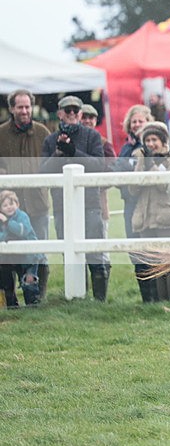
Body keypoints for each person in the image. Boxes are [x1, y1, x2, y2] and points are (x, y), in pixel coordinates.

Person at [41, 95, 109, 301]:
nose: (71, 114)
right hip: (63, 206)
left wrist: (74, 151)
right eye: (67, 110)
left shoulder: (92, 136)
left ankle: (99, 302)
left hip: (90, 204)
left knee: (95, 253)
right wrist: (58, 154)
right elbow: (43, 173)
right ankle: (77, 298)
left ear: (80, 114)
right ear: (59, 113)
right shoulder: (50, 140)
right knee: (70, 254)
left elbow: (98, 166)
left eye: (75, 111)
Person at [0, 90, 52, 303]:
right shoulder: (1, 134)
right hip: (8, 206)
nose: (24, 111)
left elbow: (50, 165)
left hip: (37, 203)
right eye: (19, 107)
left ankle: (38, 297)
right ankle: (10, 297)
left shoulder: (42, 132)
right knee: (7, 254)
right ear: (11, 108)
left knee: (39, 252)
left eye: (27, 106)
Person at [129, 121, 170, 303]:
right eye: (148, 140)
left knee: (169, 262)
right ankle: (160, 303)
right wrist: (142, 165)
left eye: (154, 140)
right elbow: (133, 189)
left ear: (162, 141)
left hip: (165, 216)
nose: (151, 144)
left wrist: (151, 166)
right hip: (145, 217)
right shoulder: (141, 159)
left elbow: (164, 186)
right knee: (154, 263)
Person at [112, 105, 152, 302]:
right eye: (134, 121)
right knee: (136, 251)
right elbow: (118, 175)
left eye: (140, 121)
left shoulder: (154, 144)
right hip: (130, 204)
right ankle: (146, 298)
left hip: (151, 204)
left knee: (154, 249)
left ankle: (160, 297)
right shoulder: (126, 149)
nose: (137, 125)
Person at [81, 104, 115, 276]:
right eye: (84, 117)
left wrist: (92, 184)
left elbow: (111, 171)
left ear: (96, 121)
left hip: (99, 203)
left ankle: (103, 284)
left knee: (101, 247)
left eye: (91, 118)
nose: (87, 121)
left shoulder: (104, 144)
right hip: (76, 203)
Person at [0, 190, 45, 307]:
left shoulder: (22, 216)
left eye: (11, 204)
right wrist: (5, 234)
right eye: (5, 205)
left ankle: (32, 305)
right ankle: (11, 305)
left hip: (29, 256)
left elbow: (22, 231)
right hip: (10, 257)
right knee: (6, 281)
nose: (9, 207)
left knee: (28, 281)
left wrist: (7, 223)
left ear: (17, 204)